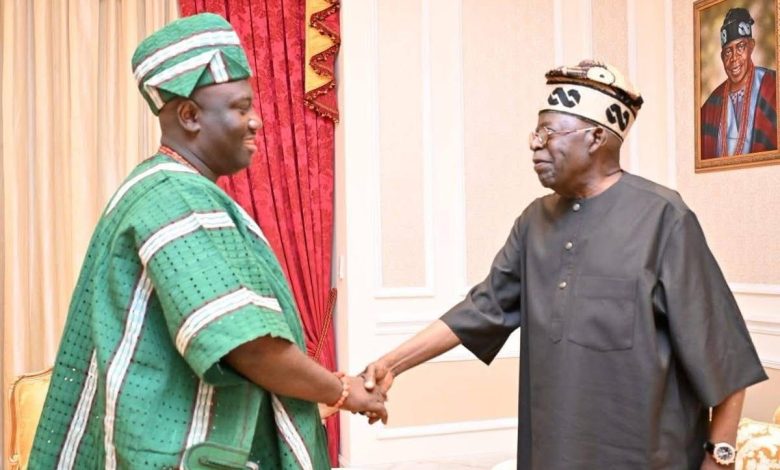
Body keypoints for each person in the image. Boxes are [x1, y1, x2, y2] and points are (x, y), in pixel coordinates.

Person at [362, 60, 768, 469]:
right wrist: (391, 364)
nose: (535, 144)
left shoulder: (664, 217)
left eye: (549, 133)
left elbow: (725, 358)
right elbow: (481, 309)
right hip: (553, 453)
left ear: (595, 137)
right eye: (535, 133)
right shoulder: (534, 221)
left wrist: (721, 458)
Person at [29, 13, 385, 470]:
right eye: (240, 108)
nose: (256, 121)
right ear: (190, 115)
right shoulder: (175, 196)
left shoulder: (165, 187)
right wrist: (343, 389)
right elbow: (247, 345)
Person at [701, 7, 777, 158]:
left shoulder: (773, 87)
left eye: (740, 47)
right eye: (728, 51)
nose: (734, 58)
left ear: (751, 46)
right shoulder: (711, 105)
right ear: (722, 57)